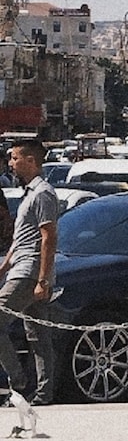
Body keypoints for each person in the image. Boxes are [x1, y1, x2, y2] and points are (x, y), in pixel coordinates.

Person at [0, 139, 57, 406]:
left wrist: (43, 280)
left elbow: (48, 237)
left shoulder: (43, 193)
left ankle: (19, 384)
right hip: (20, 268)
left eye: (14, 158)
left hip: (29, 273)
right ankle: (42, 394)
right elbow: (21, 239)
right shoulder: (28, 193)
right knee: (37, 335)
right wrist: (4, 266)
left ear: (31, 160)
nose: (11, 163)